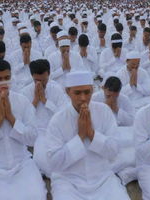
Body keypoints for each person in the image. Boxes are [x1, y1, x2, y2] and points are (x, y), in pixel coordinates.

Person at [45, 71, 131, 200]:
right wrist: (80, 137)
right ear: (68, 92)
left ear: (92, 90)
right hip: (69, 182)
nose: (83, 98)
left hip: (102, 179)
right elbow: (55, 163)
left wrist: (91, 134)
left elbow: (114, 151)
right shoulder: (58, 120)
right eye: (77, 93)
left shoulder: (104, 111)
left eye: (87, 92)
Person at [0, 59, 46, 200]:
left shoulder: (22, 101)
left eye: (7, 78)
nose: (3, 83)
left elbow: (31, 139)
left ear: (11, 77)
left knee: (37, 196)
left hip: (22, 165)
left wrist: (11, 118)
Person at [22, 59, 67, 176]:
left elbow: (63, 114)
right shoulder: (25, 92)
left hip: (57, 130)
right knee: (45, 161)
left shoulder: (56, 89)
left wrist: (45, 101)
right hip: (38, 133)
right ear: (32, 76)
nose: (41, 83)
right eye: (37, 80)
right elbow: (24, 118)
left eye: (44, 80)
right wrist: (35, 101)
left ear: (49, 74)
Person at [92, 76, 136, 185]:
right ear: (103, 88)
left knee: (135, 139)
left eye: (114, 96)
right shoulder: (95, 98)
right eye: (108, 95)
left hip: (120, 131)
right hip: (101, 132)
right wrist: (105, 109)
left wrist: (117, 109)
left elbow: (132, 121)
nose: (111, 98)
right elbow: (91, 122)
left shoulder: (124, 99)